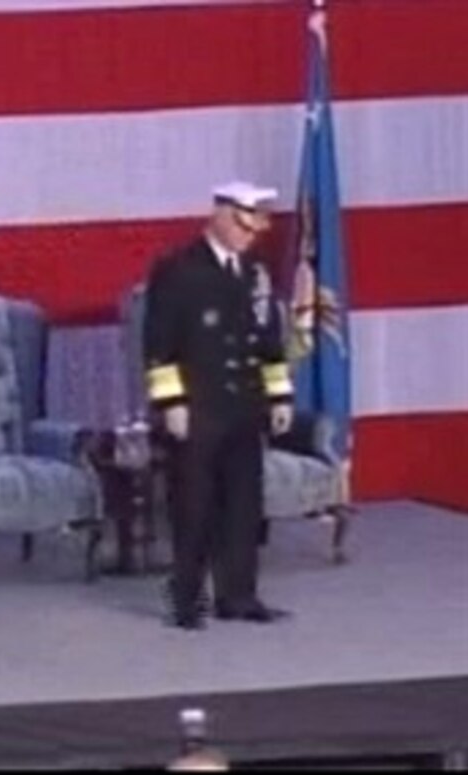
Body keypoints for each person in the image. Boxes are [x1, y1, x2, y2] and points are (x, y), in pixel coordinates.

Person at [143, 181, 294, 631]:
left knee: (244, 505)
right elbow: (159, 344)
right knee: (194, 506)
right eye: (245, 227)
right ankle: (187, 599)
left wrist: (279, 394)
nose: (251, 237)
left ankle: (239, 595)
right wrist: (171, 401)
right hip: (199, 407)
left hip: (244, 406)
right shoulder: (179, 270)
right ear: (224, 216)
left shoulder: (254, 272)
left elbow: (267, 342)